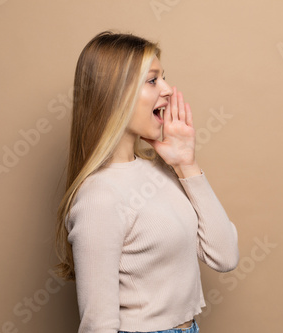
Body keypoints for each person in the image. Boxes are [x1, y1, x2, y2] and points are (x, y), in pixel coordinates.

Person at [54, 31, 239, 333]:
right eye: (153, 80)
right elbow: (98, 325)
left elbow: (225, 256)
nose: (168, 90)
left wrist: (186, 163)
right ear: (115, 93)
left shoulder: (161, 170)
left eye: (163, 77)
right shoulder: (99, 196)